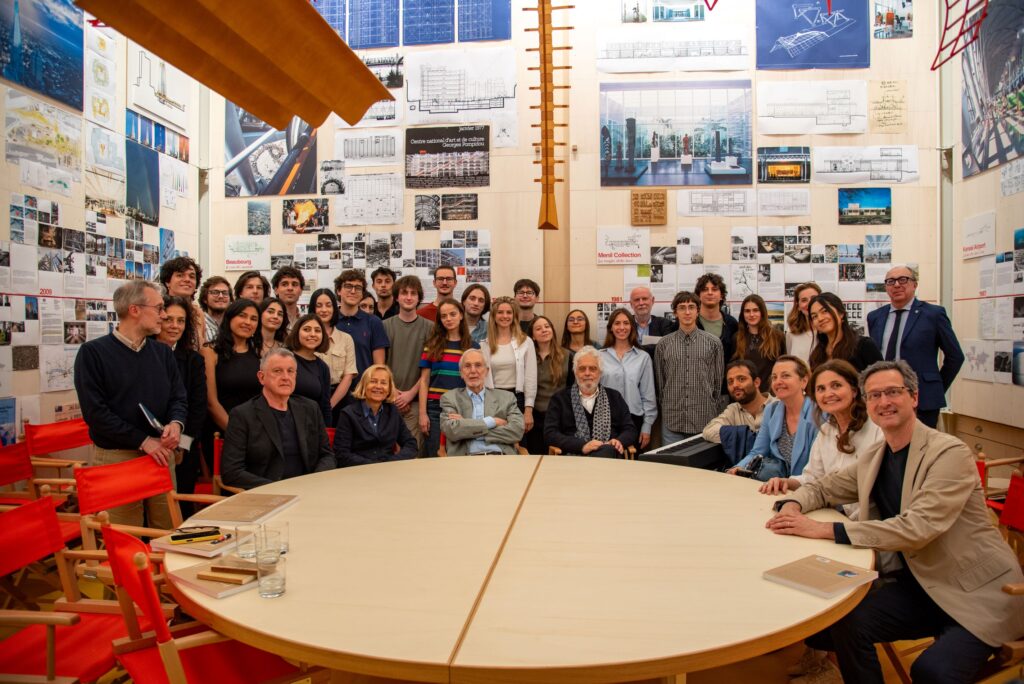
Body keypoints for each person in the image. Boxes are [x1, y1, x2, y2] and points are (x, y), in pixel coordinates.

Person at [766, 361, 1024, 684]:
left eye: (892, 392)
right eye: (874, 395)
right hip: (920, 586)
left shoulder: (948, 453)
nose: (883, 401)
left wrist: (825, 529)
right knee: (842, 624)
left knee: (931, 672)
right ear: (868, 404)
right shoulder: (876, 455)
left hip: (976, 594)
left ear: (914, 397)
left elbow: (917, 528)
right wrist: (792, 504)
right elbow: (823, 486)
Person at [74, 281, 186, 528]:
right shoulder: (93, 353)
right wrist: (142, 441)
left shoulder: (163, 353)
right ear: (135, 310)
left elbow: (178, 397)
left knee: (169, 530)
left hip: (161, 454)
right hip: (118, 457)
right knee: (125, 535)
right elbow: (96, 413)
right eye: (158, 308)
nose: (164, 315)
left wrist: (176, 425)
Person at [759, 359, 882, 522]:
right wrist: (786, 482)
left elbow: (878, 491)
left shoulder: (877, 428)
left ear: (854, 390)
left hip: (866, 524)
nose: (828, 394)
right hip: (830, 516)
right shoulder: (826, 431)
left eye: (836, 385)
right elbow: (812, 478)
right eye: (821, 389)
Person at [221, 349, 335, 490]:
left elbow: (327, 456)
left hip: (309, 492)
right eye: (277, 371)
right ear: (261, 377)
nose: (285, 377)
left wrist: (314, 481)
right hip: (266, 497)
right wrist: (279, 488)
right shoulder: (242, 415)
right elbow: (231, 472)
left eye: (290, 371)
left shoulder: (310, 408)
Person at [866, 265, 964, 428]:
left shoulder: (933, 314)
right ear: (886, 287)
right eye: (891, 281)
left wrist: (935, 386)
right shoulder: (875, 317)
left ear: (914, 284)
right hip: (884, 397)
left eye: (903, 280)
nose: (897, 285)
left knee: (921, 448)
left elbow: (955, 356)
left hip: (922, 398)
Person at [728, 356, 817, 482]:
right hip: (775, 486)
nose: (778, 381)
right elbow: (758, 451)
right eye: (774, 377)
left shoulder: (819, 414)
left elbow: (819, 469)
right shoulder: (771, 410)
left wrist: (790, 484)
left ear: (804, 381)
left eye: (785, 376)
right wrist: (737, 468)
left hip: (808, 488)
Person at [155, 295, 207, 509]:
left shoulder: (193, 360)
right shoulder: (143, 356)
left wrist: (181, 445)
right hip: (150, 446)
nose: (175, 326)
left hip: (184, 447)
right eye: (169, 319)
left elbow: (197, 407)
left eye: (181, 321)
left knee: (181, 507)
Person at [655, 291, 724, 443]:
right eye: (682, 307)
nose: (687, 312)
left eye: (691, 307)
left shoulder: (714, 343)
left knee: (701, 465)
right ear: (675, 312)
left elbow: (717, 384)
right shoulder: (663, 345)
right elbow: (661, 384)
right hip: (673, 419)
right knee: (670, 464)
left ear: (697, 311)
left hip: (703, 418)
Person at [544, 346, 637, 457]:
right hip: (573, 458)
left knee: (607, 449)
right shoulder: (559, 399)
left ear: (600, 372)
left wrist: (619, 441)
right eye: (582, 369)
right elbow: (550, 434)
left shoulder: (614, 397)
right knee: (605, 451)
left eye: (592, 369)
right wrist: (582, 446)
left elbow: (630, 429)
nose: (587, 373)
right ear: (575, 372)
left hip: (609, 455)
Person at [201, 299, 262, 465]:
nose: (248, 322)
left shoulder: (260, 354)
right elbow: (211, 402)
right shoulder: (210, 351)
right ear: (230, 318)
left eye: (254, 319)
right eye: (242, 316)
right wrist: (238, 433)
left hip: (256, 433)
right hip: (221, 433)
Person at [418, 299, 479, 457]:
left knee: (461, 457)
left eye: (453, 314)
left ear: (461, 316)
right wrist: (422, 413)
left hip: (463, 408)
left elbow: (477, 381)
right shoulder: (431, 345)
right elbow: (424, 381)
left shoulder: (473, 347)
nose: (449, 319)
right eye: (444, 316)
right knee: (436, 456)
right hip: (435, 409)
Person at [440, 349, 525, 455]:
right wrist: (492, 422)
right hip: (465, 462)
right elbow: (452, 431)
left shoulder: (507, 398)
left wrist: (467, 427)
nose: (473, 370)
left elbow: (517, 431)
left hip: (500, 458)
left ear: (487, 371)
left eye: (478, 365)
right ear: (461, 373)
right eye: (467, 366)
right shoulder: (450, 398)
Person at [383, 275, 434, 451]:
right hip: (387, 399)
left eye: (413, 293)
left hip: (415, 402)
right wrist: (393, 393)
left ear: (419, 298)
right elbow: (380, 365)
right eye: (404, 293)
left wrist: (410, 395)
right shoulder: (384, 326)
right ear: (396, 297)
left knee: (412, 454)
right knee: (386, 454)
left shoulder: (430, 327)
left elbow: (429, 369)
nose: (409, 297)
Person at [334, 365, 418, 467]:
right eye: (373, 381)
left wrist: (391, 463)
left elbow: (411, 444)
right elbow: (342, 454)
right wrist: (374, 466)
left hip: (389, 470)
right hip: (358, 472)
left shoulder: (393, 412)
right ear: (364, 385)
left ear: (389, 388)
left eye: (383, 383)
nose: (378, 386)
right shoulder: (348, 414)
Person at [599, 308, 656, 450]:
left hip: (633, 419)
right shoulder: (599, 356)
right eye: (617, 323)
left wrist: (647, 426)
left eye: (626, 323)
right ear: (611, 328)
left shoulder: (643, 357)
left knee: (631, 467)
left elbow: (648, 395)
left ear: (632, 327)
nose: (622, 327)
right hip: (604, 419)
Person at [702, 360, 774, 464]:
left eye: (741, 379)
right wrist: (746, 435)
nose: (735, 385)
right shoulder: (733, 410)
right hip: (745, 471)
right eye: (730, 382)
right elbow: (709, 430)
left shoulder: (778, 406)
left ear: (756, 382)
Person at [480, 297, 537, 430]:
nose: (504, 316)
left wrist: (528, 411)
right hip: (491, 399)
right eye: (500, 312)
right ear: (493, 316)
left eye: (509, 312)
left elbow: (531, 379)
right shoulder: (485, 344)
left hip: (517, 399)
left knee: (518, 442)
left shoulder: (525, 342)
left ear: (514, 316)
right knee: (495, 439)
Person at [309, 288, 357, 420]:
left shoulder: (346, 339)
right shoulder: (306, 338)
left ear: (335, 308)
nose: (324, 310)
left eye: (328, 305)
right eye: (319, 305)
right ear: (313, 309)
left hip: (340, 400)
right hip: (311, 399)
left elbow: (348, 376)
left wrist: (329, 406)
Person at [526, 315, 572, 454]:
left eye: (547, 326)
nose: (544, 330)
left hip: (559, 415)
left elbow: (571, 387)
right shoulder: (527, 356)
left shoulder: (567, 355)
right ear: (532, 336)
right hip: (534, 416)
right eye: (538, 328)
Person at [334, 270, 389, 377]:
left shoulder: (374, 322)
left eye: (358, 288)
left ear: (362, 293)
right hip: (332, 389)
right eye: (348, 286)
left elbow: (379, 366)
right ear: (338, 290)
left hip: (364, 389)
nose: (353, 291)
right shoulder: (330, 320)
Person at [808, 292, 883, 372]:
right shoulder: (816, 354)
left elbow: (882, 378)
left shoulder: (863, 345)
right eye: (814, 316)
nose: (820, 318)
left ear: (841, 313)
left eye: (825, 311)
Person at [284, 313, 333, 427]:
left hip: (311, 427)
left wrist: (326, 432)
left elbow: (325, 406)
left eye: (317, 330)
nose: (312, 334)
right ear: (297, 333)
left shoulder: (323, 367)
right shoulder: (284, 358)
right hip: (284, 425)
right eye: (306, 329)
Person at [733, 294, 785, 390]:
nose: (751, 314)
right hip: (745, 394)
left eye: (756, 310)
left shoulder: (777, 337)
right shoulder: (737, 338)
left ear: (762, 312)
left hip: (771, 395)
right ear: (742, 314)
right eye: (747, 311)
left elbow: (783, 366)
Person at [694, 272, 738, 366]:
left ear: (721, 296)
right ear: (698, 296)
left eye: (714, 289)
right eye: (705, 290)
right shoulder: (690, 322)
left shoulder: (732, 323)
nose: (710, 293)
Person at [786, 282, 821, 363]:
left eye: (813, 298)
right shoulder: (791, 333)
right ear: (798, 306)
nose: (809, 303)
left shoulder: (828, 331)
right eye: (804, 300)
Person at [198, 276, 232, 344]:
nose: (221, 296)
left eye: (225, 293)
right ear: (205, 299)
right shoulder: (197, 324)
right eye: (215, 292)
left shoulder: (233, 325)